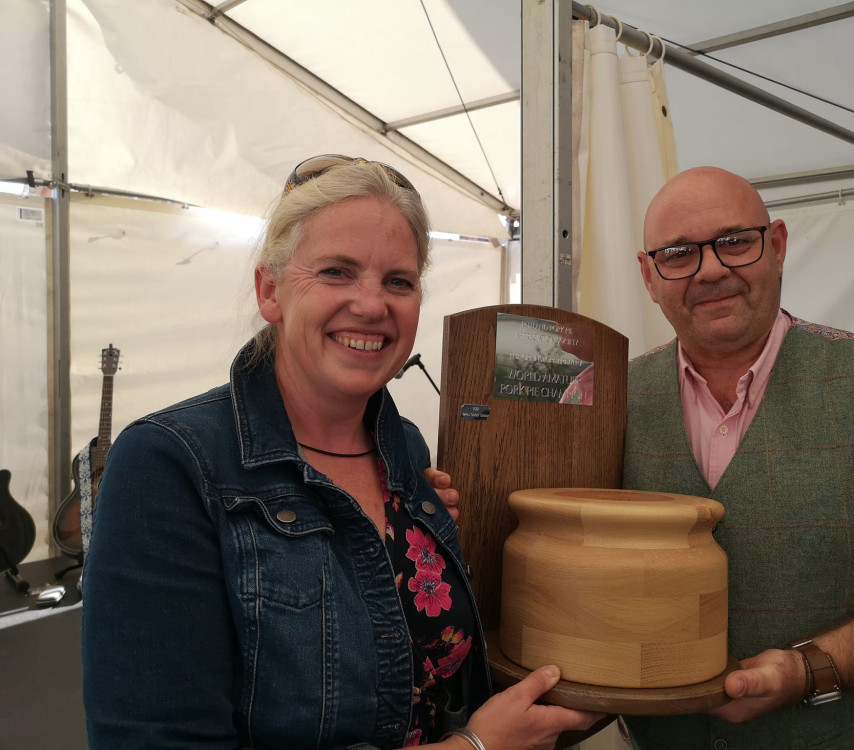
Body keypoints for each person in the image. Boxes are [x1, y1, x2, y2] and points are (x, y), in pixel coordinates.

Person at [81, 154, 601, 749]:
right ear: (270, 289)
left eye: (398, 281)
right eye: (337, 271)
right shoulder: (169, 463)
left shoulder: (403, 447)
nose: (373, 304)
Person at [621, 166, 854, 748]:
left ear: (776, 246)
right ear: (649, 276)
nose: (712, 268)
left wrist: (807, 672)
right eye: (677, 253)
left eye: (735, 242)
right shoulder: (609, 402)